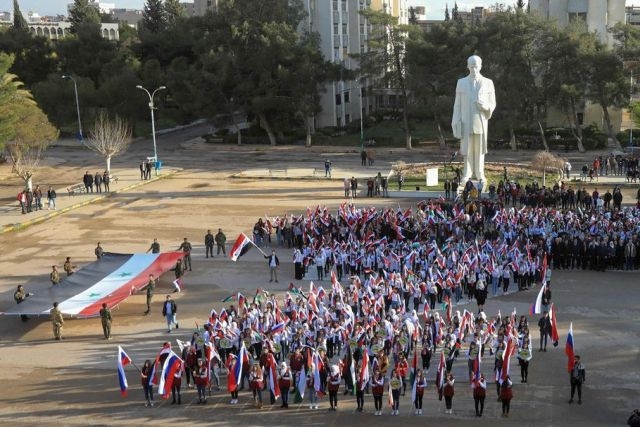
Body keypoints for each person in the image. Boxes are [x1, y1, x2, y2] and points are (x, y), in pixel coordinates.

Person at [451, 55, 496, 184]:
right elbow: (457, 104)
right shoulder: (461, 82)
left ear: (481, 66)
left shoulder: (488, 82)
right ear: (467, 67)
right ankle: (467, 172)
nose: (474, 69)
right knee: (467, 149)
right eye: (471, 66)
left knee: (480, 149)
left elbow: (492, 103)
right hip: (466, 122)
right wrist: (455, 121)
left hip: (481, 121)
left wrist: (485, 106)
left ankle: (480, 172)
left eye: (476, 66)